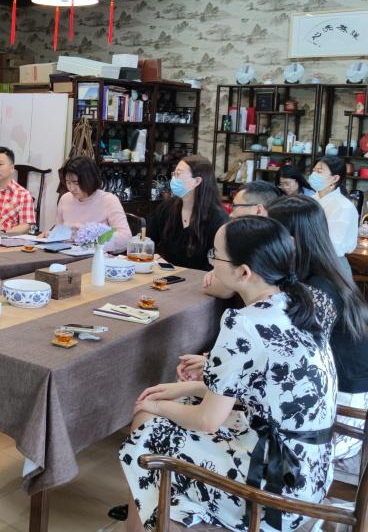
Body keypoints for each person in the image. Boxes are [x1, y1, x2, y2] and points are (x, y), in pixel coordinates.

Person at [119, 217, 336, 532]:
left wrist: (156, 405)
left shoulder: (243, 323)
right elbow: (267, 385)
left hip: (272, 488)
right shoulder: (297, 303)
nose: (211, 262)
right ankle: (161, 515)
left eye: (215, 255)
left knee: (147, 426)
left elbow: (207, 420)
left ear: (243, 272)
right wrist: (185, 389)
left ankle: (144, 522)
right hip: (310, 474)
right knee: (166, 415)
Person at [267, 195, 368, 459]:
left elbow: (297, 359)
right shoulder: (324, 271)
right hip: (338, 395)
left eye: (269, 234)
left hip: (341, 422)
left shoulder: (317, 290)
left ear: (291, 240)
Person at [145, 155, 227, 271]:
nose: (173, 179)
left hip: (199, 278)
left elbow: (218, 264)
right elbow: (147, 239)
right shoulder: (167, 207)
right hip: (166, 274)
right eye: (174, 174)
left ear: (197, 181)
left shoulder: (218, 219)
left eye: (178, 174)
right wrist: (154, 257)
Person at [43, 156, 130, 253]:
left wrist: (92, 242)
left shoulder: (109, 200)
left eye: (76, 183)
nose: (72, 188)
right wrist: (51, 235)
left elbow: (125, 237)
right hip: (67, 253)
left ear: (90, 179)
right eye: (68, 182)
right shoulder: (65, 199)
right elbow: (60, 229)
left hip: (96, 255)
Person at [309, 155, 358, 257]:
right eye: (314, 171)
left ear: (335, 178)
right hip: (312, 255)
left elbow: (334, 246)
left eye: (319, 172)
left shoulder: (343, 207)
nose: (313, 175)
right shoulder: (312, 199)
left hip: (331, 260)